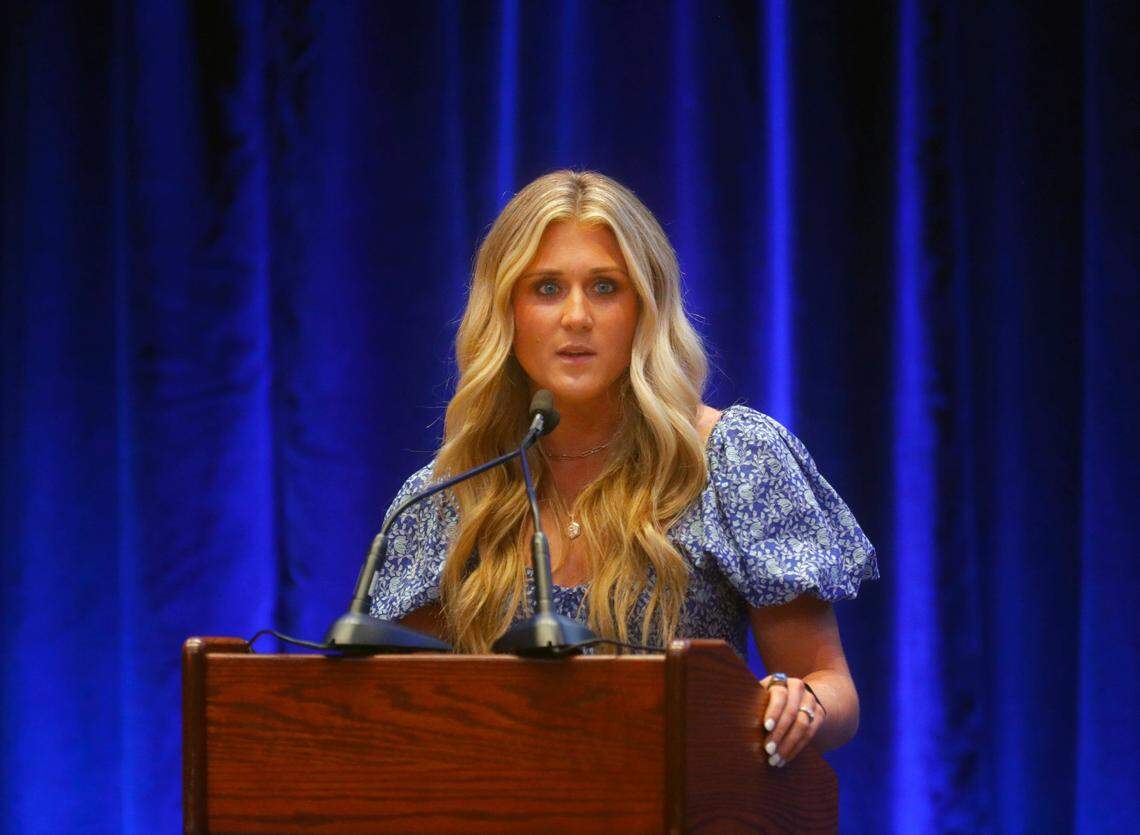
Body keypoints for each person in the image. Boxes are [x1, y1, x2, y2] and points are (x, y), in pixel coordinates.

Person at [370, 170, 878, 767]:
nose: (577, 317)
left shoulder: (735, 458)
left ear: (645, 307)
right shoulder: (449, 492)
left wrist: (799, 705)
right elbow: (401, 714)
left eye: (606, 287)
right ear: (506, 311)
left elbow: (830, 683)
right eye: (548, 288)